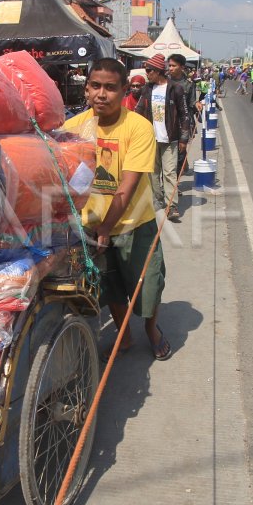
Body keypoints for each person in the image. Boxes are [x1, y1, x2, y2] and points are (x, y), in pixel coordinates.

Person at [63, 58, 172, 361]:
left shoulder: (138, 127)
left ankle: (151, 330)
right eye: (95, 86)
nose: (101, 94)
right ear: (86, 89)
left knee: (148, 288)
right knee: (109, 287)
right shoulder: (72, 128)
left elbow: (127, 187)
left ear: (124, 89)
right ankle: (123, 337)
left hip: (135, 224)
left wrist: (106, 230)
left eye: (110, 88)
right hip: (91, 225)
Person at [134, 53, 191, 223]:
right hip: (151, 140)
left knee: (169, 173)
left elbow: (184, 115)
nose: (147, 73)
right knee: (153, 173)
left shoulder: (175, 89)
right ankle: (157, 200)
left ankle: (171, 205)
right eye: (146, 70)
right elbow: (138, 111)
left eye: (149, 70)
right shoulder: (147, 89)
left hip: (170, 139)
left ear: (158, 71)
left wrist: (183, 138)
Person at [166, 53, 196, 179]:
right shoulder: (164, 81)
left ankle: (174, 184)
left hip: (182, 124)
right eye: (169, 65)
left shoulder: (188, 84)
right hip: (166, 123)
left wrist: (198, 104)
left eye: (173, 66)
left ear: (182, 67)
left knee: (180, 154)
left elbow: (191, 104)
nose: (170, 68)